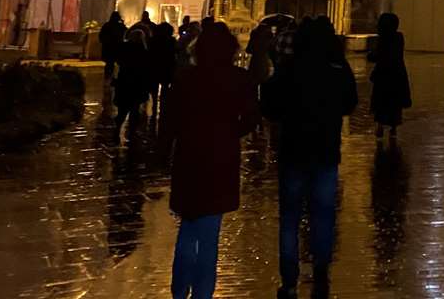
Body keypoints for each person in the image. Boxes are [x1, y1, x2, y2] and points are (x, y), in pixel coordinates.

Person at [159, 22, 260, 299]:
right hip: (220, 159)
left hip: (189, 157)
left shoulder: (185, 78)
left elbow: (169, 122)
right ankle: (203, 293)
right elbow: (251, 119)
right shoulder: (240, 79)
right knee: (209, 234)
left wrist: (162, 153)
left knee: (188, 227)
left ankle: (179, 291)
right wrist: (229, 134)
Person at [263, 17, 358, 297]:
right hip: (326, 152)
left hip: (293, 152)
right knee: (323, 215)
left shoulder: (289, 68)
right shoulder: (337, 68)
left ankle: (289, 279)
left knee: (290, 217)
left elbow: (269, 104)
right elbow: (350, 103)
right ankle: (320, 272)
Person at [368, 12, 411, 140]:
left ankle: (380, 126)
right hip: (397, 75)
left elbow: (378, 55)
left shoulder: (384, 38)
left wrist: (371, 55)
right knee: (394, 104)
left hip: (383, 75)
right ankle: (393, 129)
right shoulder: (398, 37)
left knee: (381, 101)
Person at [115, 21, 152, 138]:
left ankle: (118, 126)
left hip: (125, 80)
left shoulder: (124, 49)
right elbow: (146, 68)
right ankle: (132, 129)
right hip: (137, 83)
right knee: (134, 108)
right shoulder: (144, 51)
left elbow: (119, 62)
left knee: (123, 108)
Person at [150, 21, 178, 113]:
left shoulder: (153, 40)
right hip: (167, 66)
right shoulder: (172, 41)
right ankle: (163, 104)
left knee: (154, 86)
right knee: (165, 86)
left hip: (155, 66)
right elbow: (175, 53)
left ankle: (154, 104)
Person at [246, 20, 276, 85]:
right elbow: (272, 50)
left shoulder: (254, 34)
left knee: (253, 82)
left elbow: (248, 50)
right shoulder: (269, 36)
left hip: (254, 61)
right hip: (265, 61)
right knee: (264, 82)